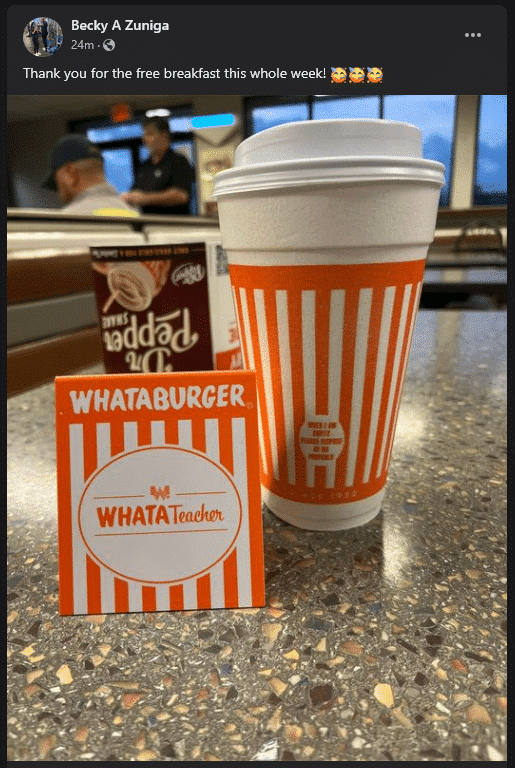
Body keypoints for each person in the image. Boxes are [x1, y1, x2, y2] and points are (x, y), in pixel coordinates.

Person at [42, 135, 139, 217]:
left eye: (57, 182)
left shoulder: (67, 220)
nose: (59, 193)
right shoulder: (134, 213)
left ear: (70, 173)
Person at [121, 117, 193, 215]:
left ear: (164, 135)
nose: (145, 139)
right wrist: (129, 197)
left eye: (149, 134)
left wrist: (145, 198)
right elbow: (136, 191)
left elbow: (181, 195)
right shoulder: (144, 166)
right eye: (144, 135)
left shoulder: (178, 161)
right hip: (147, 225)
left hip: (173, 226)